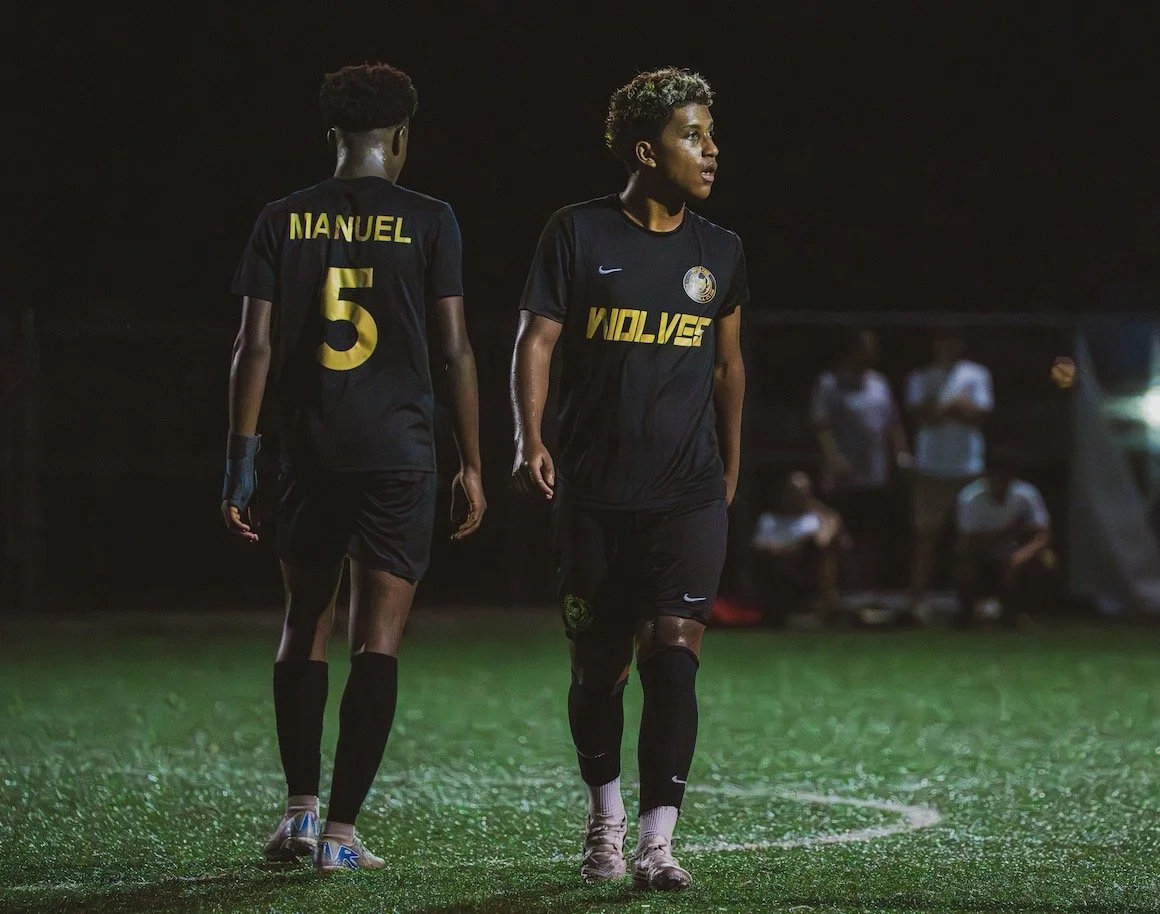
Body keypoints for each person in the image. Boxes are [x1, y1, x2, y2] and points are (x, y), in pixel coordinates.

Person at [220, 62, 486, 874]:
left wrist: (241, 457)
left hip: (310, 450)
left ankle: (297, 814)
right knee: (378, 637)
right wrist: (472, 461)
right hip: (399, 453)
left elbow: (253, 347)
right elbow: (453, 349)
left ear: (333, 136)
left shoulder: (281, 217)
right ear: (400, 137)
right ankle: (340, 834)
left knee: (304, 622)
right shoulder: (431, 218)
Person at [510, 66, 747, 892]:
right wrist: (529, 438)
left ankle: (657, 843)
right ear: (647, 150)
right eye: (693, 135)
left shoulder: (720, 250)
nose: (711, 150)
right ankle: (604, 818)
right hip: (594, 492)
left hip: (687, 491)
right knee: (597, 669)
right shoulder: (577, 233)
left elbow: (729, 367)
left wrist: (732, 466)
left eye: (712, 135)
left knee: (674, 653)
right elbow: (536, 340)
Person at [809, 328, 911, 595]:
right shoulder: (829, 383)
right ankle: (836, 592)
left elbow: (893, 423)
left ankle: (866, 591)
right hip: (843, 476)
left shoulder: (879, 383)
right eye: (865, 348)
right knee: (840, 535)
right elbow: (821, 424)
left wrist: (900, 454)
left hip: (875, 473)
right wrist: (833, 458)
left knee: (871, 535)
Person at [903, 328, 993, 622]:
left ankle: (969, 602)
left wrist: (940, 406)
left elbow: (979, 414)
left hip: (968, 467)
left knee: (969, 538)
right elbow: (922, 415)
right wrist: (955, 405)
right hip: (930, 467)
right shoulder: (920, 377)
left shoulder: (977, 374)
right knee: (926, 536)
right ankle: (918, 601)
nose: (948, 347)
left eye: (954, 342)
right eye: (943, 342)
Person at [951, 452, 1052, 629]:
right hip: (980, 554)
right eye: (996, 476)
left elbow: (1043, 534)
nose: (1001, 481)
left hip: (1014, 551)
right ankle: (966, 612)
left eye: (1005, 475)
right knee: (965, 564)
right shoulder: (969, 497)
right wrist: (1009, 530)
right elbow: (967, 541)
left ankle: (1021, 613)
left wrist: (1020, 556)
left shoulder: (1026, 494)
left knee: (1047, 561)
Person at [750, 469, 856, 623]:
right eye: (794, 491)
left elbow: (825, 542)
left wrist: (825, 514)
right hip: (778, 572)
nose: (799, 496)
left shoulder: (816, 519)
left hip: (808, 570)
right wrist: (793, 547)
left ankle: (825, 606)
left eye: (804, 491)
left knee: (823, 550)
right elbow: (759, 547)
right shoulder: (770, 520)